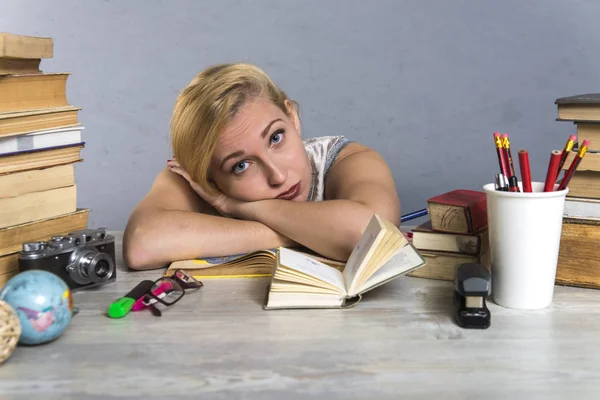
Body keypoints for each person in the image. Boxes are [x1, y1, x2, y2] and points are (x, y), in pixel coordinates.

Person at [123, 63, 401, 270]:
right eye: (241, 165)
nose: (278, 175)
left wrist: (241, 207)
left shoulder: (345, 159)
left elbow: (376, 234)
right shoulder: (194, 179)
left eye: (276, 138)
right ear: (208, 178)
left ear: (292, 116)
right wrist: (301, 232)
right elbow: (142, 244)